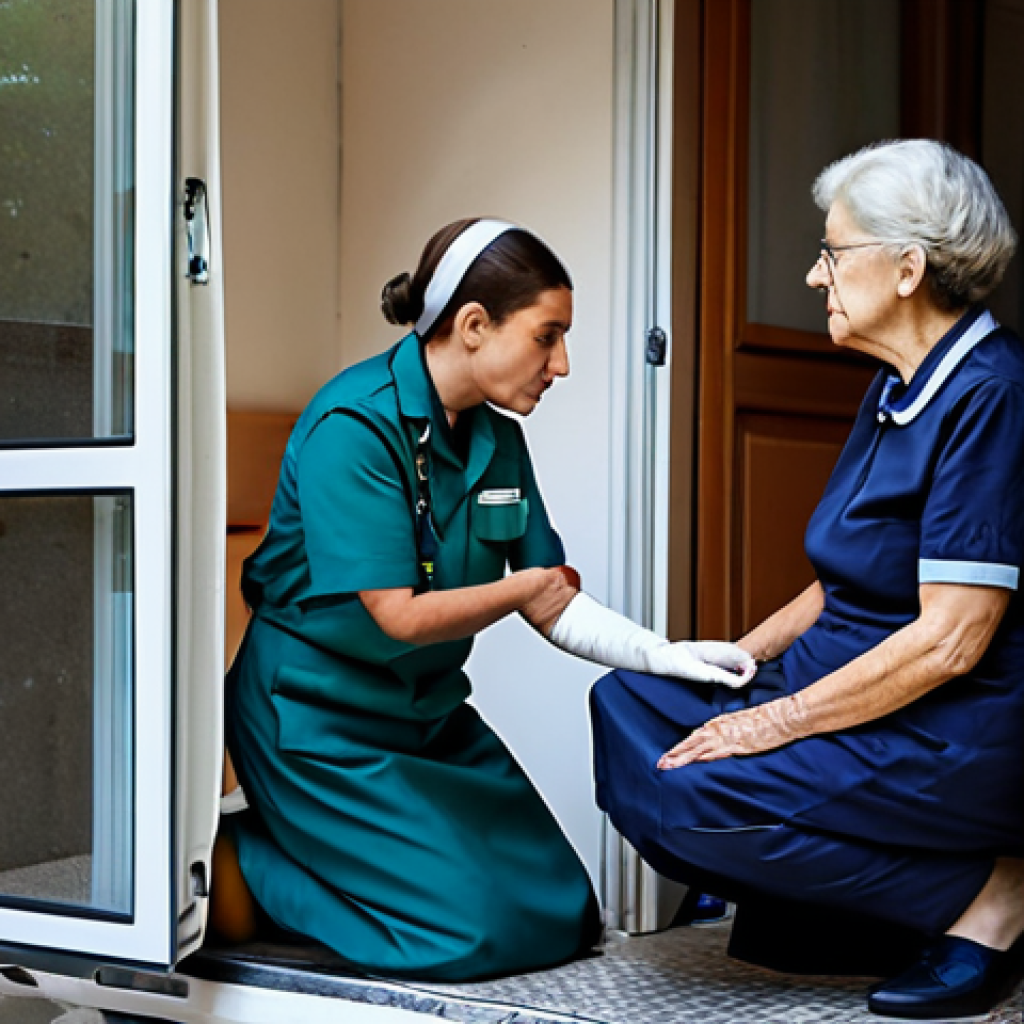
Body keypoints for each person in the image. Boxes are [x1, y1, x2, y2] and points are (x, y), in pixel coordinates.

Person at [213, 218, 755, 982]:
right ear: (474, 326)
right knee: (470, 934)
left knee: (565, 911)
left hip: (424, 713)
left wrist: (666, 654)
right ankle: (245, 860)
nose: (561, 363)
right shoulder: (353, 426)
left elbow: (552, 599)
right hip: (314, 719)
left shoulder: (496, 439)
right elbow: (398, 615)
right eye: (547, 336)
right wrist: (519, 589)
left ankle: (309, 862)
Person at [590, 140, 1024, 1019]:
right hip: (842, 688)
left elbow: (952, 639)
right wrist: (730, 664)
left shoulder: (993, 395)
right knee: (628, 703)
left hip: (944, 728)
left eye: (833, 252)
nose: (814, 276)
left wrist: (769, 724)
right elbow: (840, 580)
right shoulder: (896, 385)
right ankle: (860, 902)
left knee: (689, 803)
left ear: (908, 267)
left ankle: (990, 901)